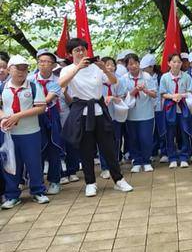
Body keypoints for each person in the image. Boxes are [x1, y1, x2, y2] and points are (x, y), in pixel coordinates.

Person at [58, 38, 133, 196]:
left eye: (83, 49)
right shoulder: (68, 69)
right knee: (86, 150)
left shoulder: (96, 68)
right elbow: (61, 83)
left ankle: (118, 180)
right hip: (82, 112)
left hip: (99, 111)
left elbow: (114, 81)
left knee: (109, 148)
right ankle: (90, 182)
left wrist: (104, 69)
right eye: (76, 50)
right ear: (71, 53)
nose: (80, 52)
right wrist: (78, 67)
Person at [0, 55, 49, 208]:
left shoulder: (34, 86)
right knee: (10, 164)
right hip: (9, 134)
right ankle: (12, 195)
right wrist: (3, 119)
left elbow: (41, 108)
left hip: (30, 133)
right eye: (17, 68)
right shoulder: (2, 88)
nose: (21, 72)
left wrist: (17, 116)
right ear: (9, 69)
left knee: (34, 162)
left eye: (24, 69)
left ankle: (38, 191)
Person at [31, 50, 65, 195]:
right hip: (33, 118)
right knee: (36, 149)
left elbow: (46, 100)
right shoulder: (30, 80)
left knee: (54, 147)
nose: (44, 65)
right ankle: (37, 182)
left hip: (51, 116)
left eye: (47, 62)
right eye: (41, 62)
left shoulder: (56, 81)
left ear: (53, 65)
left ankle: (55, 180)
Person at [122, 54, 157, 173]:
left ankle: (147, 161)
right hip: (131, 114)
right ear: (126, 66)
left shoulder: (147, 77)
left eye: (135, 63)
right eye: (130, 64)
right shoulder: (124, 79)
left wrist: (145, 90)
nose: (134, 66)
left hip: (146, 113)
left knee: (146, 138)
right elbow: (122, 96)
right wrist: (134, 90)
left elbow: (154, 94)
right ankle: (136, 161)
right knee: (133, 138)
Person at [160, 53, 192, 168]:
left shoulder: (186, 76)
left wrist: (181, 95)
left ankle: (184, 156)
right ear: (169, 63)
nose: (176, 64)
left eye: (179, 62)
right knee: (170, 133)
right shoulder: (165, 77)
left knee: (185, 131)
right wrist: (172, 96)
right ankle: (172, 157)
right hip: (170, 107)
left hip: (183, 106)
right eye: (173, 62)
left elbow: (191, 92)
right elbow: (163, 93)